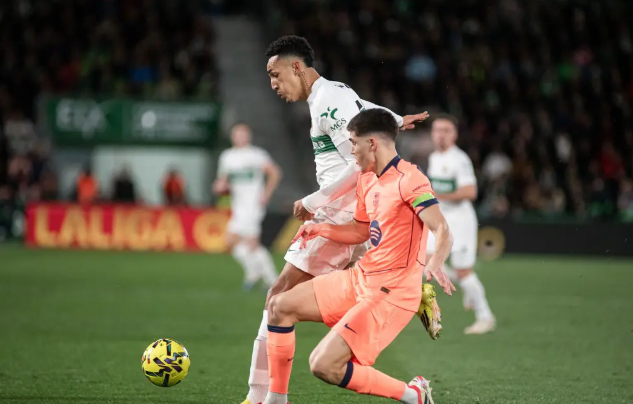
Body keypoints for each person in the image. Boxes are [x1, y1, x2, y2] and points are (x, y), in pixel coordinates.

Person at [239, 35, 436, 404]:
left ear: (296, 67)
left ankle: (261, 396)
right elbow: (364, 110)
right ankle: (411, 289)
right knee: (351, 288)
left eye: (276, 75)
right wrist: (395, 118)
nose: (273, 84)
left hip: (339, 211)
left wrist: (314, 200)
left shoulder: (327, 102)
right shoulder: (336, 92)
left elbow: (356, 163)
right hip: (354, 211)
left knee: (278, 297)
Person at [262, 109, 456, 404]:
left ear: (372, 143)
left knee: (324, 365)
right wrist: (321, 229)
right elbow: (361, 230)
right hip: (361, 278)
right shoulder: (367, 179)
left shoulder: (410, 179)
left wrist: (436, 261)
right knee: (279, 306)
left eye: (353, 143)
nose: (351, 151)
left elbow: (441, 228)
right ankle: (276, 401)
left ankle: (413, 395)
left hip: (391, 292)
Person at [426, 114, 496, 334]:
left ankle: (485, 317)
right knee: (426, 261)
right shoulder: (434, 157)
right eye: (437, 130)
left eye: (446, 130)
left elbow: (470, 191)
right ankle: (467, 287)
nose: (441, 134)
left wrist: (437, 195)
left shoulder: (460, 159)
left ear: (454, 135)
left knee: (463, 271)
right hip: (440, 220)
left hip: (461, 222)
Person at [213, 123, 282, 291]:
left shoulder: (256, 155)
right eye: (237, 134)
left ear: (249, 136)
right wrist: (219, 186)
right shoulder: (227, 157)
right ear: (232, 137)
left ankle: (272, 280)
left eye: (243, 134)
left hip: (253, 205)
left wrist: (266, 194)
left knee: (251, 243)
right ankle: (255, 273)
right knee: (231, 241)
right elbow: (223, 181)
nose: (240, 137)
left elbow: (275, 173)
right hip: (238, 206)